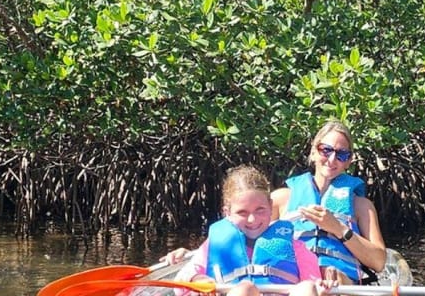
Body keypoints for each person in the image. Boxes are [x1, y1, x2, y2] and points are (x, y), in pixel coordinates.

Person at [162, 165, 333, 296]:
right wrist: (197, 279)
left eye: (260, 210)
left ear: (270, 206)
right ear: (227, 213)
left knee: (306, 288)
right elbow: (182, 280)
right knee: (245, 289)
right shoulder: (214, 244)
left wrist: (321, 288)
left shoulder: (295, 247)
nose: (252, 220)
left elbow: (313, 282)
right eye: (242, 212)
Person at [271, 120, 387, 285]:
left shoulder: (362, 207)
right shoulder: (280, 199)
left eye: (341, 154)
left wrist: (338, 228)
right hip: (294, 279)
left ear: (349, 160)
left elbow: (379, 262)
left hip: (340, 283)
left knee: (333, 276)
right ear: (313, 152)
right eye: (326, 150)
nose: (332, 159)